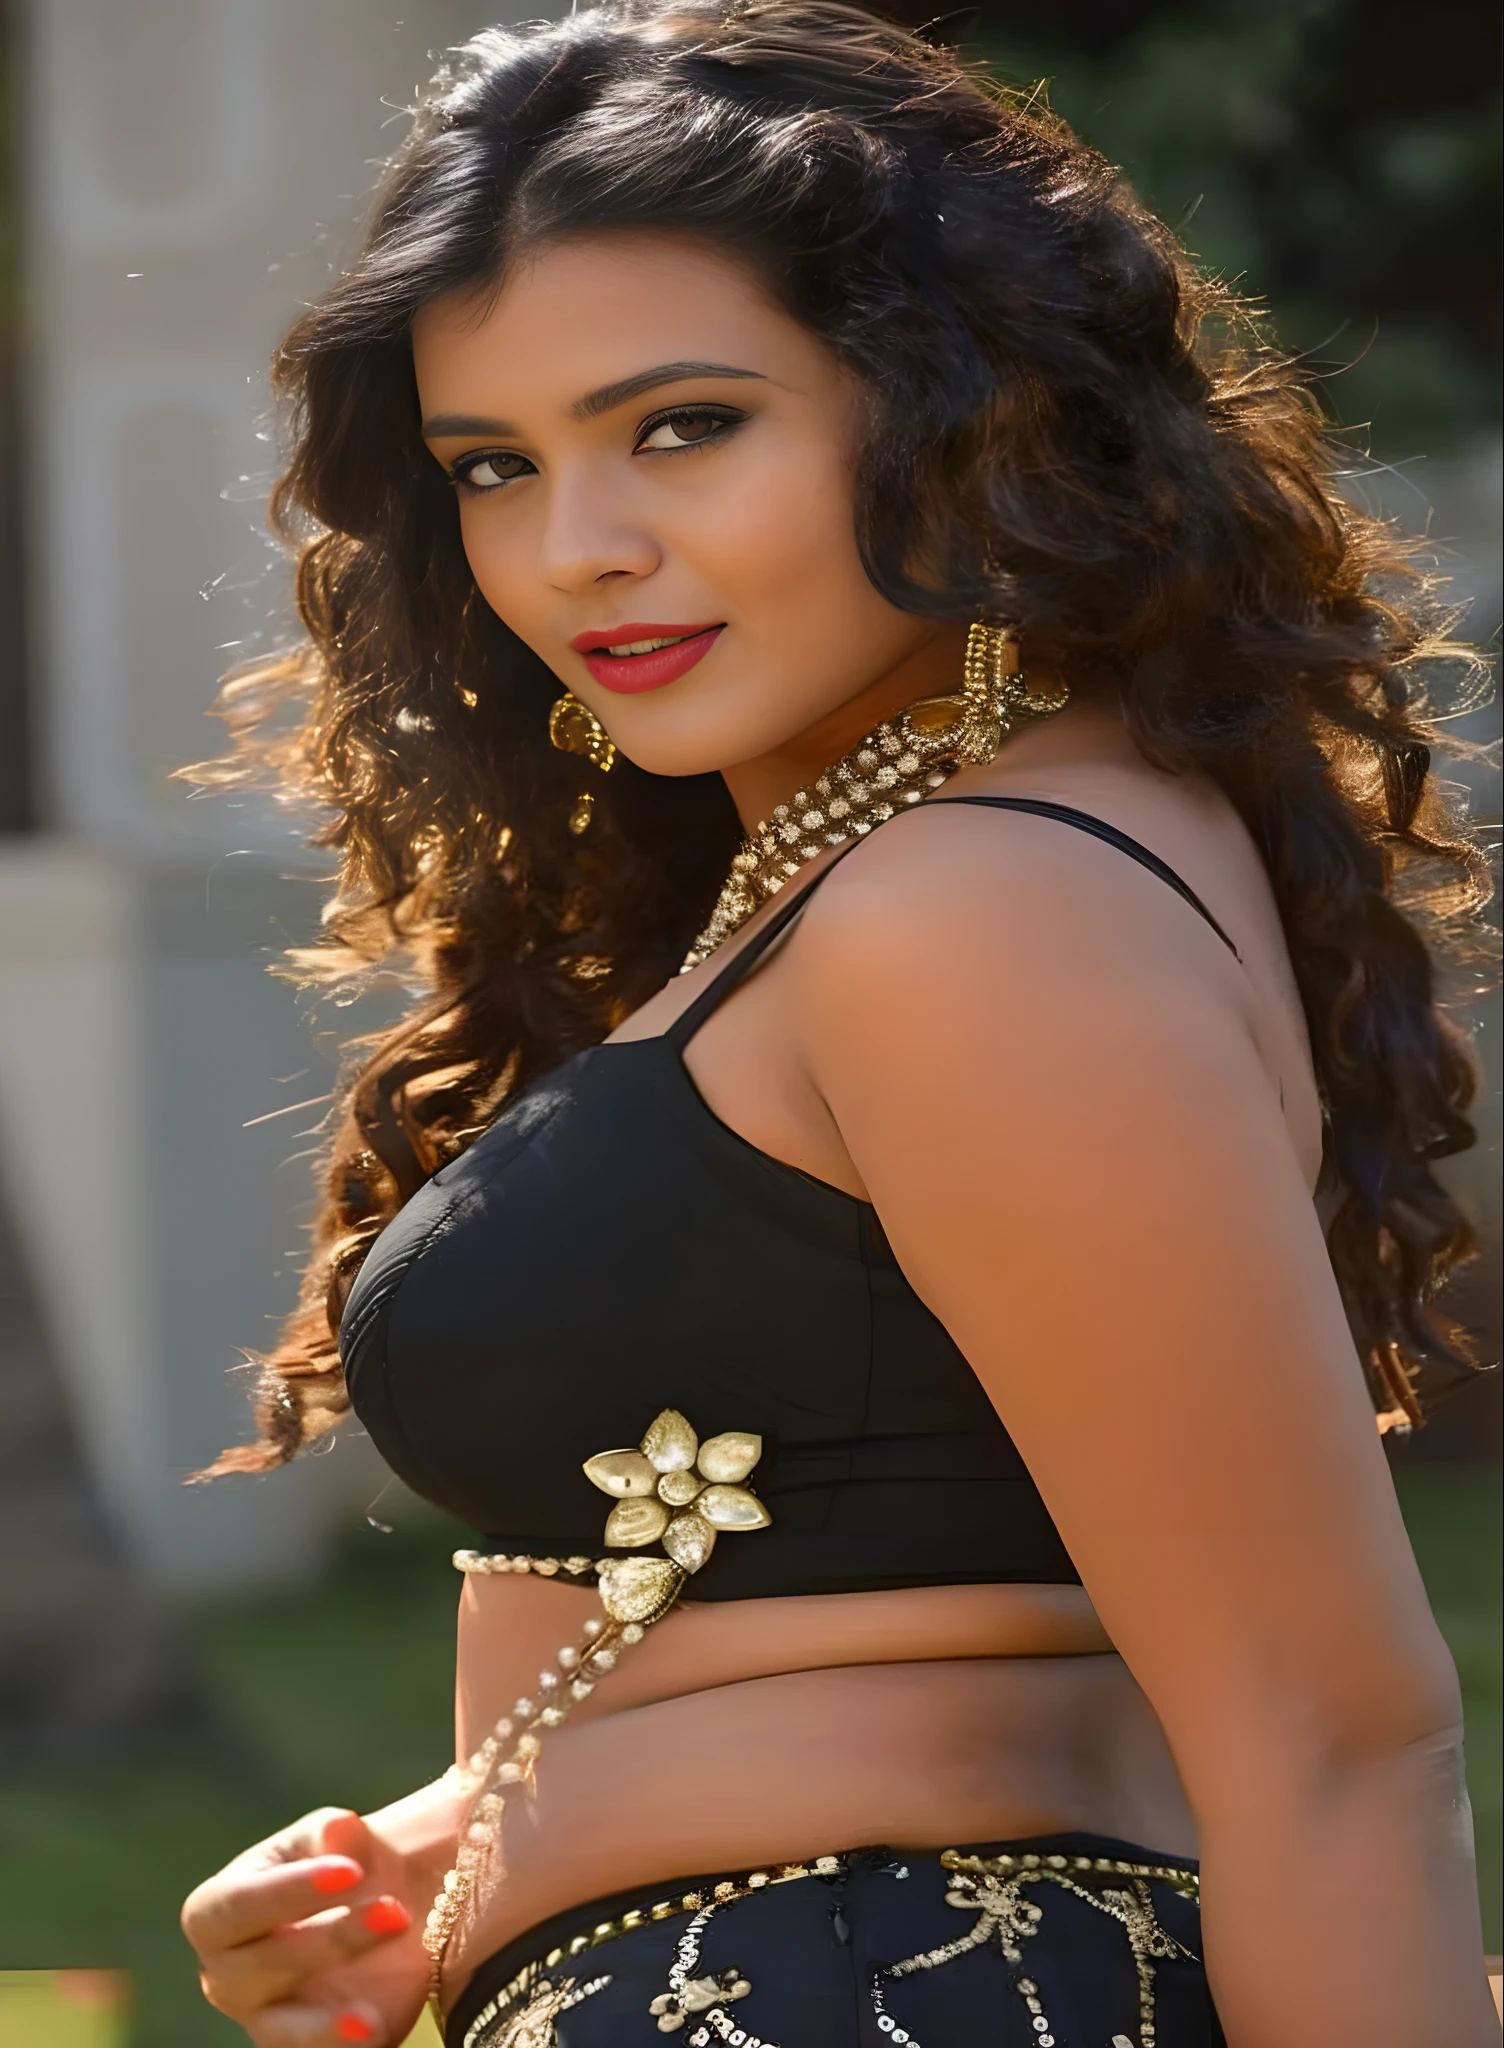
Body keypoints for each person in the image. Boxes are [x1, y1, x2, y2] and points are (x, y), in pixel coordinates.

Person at [179, 4, 1498, 2043]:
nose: (575, 546)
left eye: (683, 424)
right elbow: (910, 1561)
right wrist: (479, 1847)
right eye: (494, 467)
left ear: (950, 406)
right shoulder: (886, 860)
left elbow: (1335, 1744)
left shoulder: (974, 904)